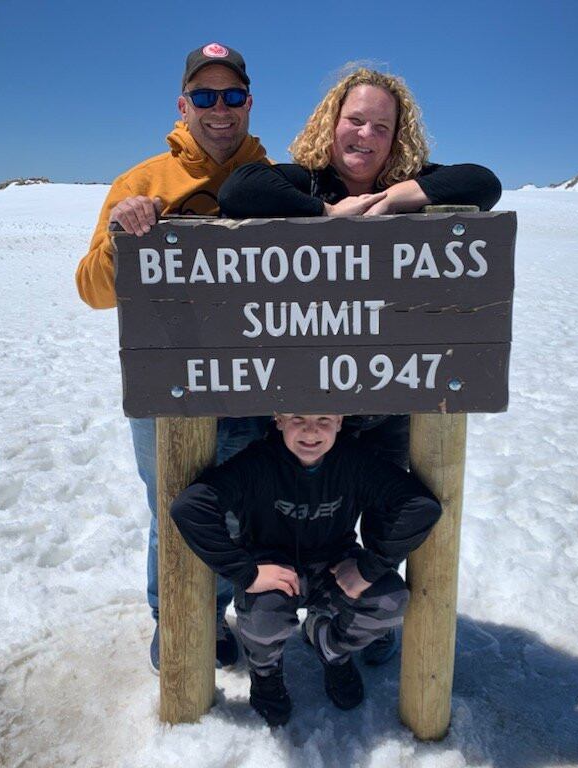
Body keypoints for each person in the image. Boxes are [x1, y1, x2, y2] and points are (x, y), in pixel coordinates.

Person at [217, 67, 499, 660]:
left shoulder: (410, 183)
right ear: (332, 122)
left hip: (384, 398)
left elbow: (484, 182)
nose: (365, 134)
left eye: (381, 126)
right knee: (283, 510)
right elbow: (239, 191)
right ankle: (277, 611)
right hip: (307, 401)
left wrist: (403, 196)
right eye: (355, 119)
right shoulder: (306, 180)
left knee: (383, 509)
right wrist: (325, 215)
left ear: (397, 138)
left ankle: (360, 620)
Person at [75, 42, 272, 672]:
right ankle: (178, 620)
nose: (221, 109)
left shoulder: (276, 179)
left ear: (248, 103)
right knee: (174, 511)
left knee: (239, 513)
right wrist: (120, 238)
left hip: (255, 383)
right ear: (183, 104)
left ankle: (229, 616)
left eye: (233, 95)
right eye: (206, 96)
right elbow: (93, 291)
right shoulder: (140, 182)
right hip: (171, 387)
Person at [169, 414, 442, 726]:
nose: (311, 431)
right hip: (275, 570)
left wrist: (368, 568)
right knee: (263, 617)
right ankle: (266, 673)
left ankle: (331, 648)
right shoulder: (257, 463)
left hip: (334, 567)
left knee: (390, 599)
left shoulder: (352, 462)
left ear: (340, 422)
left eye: (324, 419)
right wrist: (249, 574)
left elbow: (421, 505)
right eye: (298, 418)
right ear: (279, 420)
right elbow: (190, 507)